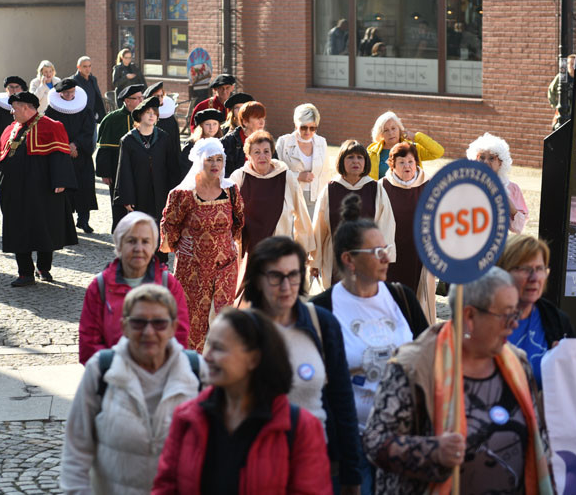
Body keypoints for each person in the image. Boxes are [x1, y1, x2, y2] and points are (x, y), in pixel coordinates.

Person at [362, 267, 555, 495]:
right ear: (470, 317)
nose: (514, 324)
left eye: (516, 314)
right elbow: (375, 442)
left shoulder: (517, 363)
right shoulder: (413, 366)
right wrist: (433, 452)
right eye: (506, 315)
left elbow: (539, 440)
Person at [311, 194, 429, 495]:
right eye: (376, 251)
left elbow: (430, 358)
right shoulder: (321, 311)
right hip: (349, 450)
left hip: (402, 443)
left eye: (385, 249)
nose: (386, 257)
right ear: (349, 259)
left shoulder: (402, 299)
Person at [153, 307, 333, 494]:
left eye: (219, 348)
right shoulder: (187, 417)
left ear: (254, 359)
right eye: (209, 344)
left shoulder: (301, 428)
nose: (206, 356)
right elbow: (165, 487)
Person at [241, 236, 362, 492]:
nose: (286, 286)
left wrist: (352, 474)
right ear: (258, 279)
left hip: (316, 464)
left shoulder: (322, 324)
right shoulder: (240, 330)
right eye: (276, 276)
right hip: (256, 467)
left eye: (294, 275)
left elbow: (342, 401)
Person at [61, 284, 206, 494]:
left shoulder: (197, 371)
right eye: (138, 323)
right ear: (124, 326)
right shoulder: (101, 370)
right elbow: (76, 446)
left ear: (174, 327)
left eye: (159, 323)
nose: (148, 332)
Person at [161, 138, 245, 351]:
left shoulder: (231, 190)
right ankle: (190, 366)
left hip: (225, 267)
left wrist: (226, 244)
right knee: (192, 321)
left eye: (219, 159)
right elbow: (169, 226)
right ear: (200, 162)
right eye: (210, 160)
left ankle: (219, 367)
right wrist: (182, 246)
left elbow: (239, 221)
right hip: (192, 270)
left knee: (222, 319)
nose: (216, 164)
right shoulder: (182, 194)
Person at [78, 211, 190, 364]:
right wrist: (118, 369)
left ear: (153, 246)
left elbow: (179, 337)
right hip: (112, 378)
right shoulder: (100, 286)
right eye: (131, 241)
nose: (139, 248)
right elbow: (88, 344)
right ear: (119, 244)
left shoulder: (168, 285)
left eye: (145, 241)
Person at [0, 91, 78, 287]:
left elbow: (60, 156)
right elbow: (0, 157)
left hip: (42, 189)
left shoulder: (51, 126)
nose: (12, 113)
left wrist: (61, 181)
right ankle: (25, 272)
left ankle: (43, 267)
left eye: (14, 108)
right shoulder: (11, 128)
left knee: (43, 228)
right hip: (14, 191)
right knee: (17, 229)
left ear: (25, 107)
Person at [313, 139, 395, 290]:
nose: (355, 161)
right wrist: (315, 261)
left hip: (368, 257)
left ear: (365, 162)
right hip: (335, 258)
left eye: (360, 157)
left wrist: (383, 257)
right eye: (350, 157)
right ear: (341, 161)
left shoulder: (375, 189)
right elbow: (319, 229)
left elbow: (387, 225)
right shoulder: (330, 190)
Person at [498, 235, 574, 388]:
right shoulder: (483, 319)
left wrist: (563, 366)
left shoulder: (557, 320)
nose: (534, 278)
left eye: (539, 269)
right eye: (524, 269)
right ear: (503, 273)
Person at [230, 130, 315, 262]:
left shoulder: (286, 177)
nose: (262, 156)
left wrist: (303, 249)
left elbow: (302, 214)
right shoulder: (239, 177)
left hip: (278, 250)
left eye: (266, 151)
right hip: (247, 251)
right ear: (248, 155)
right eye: (256, 152)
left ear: (272, 153)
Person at [381, 142, 435, 323]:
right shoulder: (382, 186)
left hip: (419, 252)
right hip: (393, 254)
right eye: (402, 162)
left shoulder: (429, 185)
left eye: (411, 162)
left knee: (418, 300)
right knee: (393, 298)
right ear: (393, 165)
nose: (407, 167)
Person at [114, 96, 180, 240]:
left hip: (160, 191)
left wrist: (174, 193)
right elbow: (124, 171)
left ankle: (159, 259)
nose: (152, 115)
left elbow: (171, 167)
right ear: (139, 115)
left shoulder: (163, 138)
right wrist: (127, 197)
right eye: (148, 112)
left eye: (154, 113)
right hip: (139, 192)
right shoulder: (128, 140)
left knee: (159, 229)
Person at [45, 78, 97, 234]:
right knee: (64, 190)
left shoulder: (85, 109)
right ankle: (65, 223)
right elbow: (50, 131)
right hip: (61, 157)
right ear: (60, 93)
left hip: (81, 155)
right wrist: (66, 147)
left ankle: (83, 220)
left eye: (71, 92)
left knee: (85, 188)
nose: (69, 95)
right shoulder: (52, 110)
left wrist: (76, 145)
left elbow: (89, 131)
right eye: (66, 92)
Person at [96, 83, 144, 230]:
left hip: (140, 169)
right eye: (137, 98)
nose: (141, 101)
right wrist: (105, 173)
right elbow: (104, 149)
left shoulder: (146, 116)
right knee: (119, 203)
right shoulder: (112, 119)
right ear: (127, 100)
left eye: (142, 97)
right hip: (117, 170)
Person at [466, 132, 529, 234]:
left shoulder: (512, 188)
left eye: (491, 158)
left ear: (500, 162)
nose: (485, 162)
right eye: (482, 157)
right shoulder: (465, 184)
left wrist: (509, 205)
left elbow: (518, 228)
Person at [276, 103, 327, 218]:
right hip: (290, 198)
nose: (308, 131)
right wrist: (298, 176)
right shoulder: (284, 142)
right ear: (295, 124)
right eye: (303, 127)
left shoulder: (322, 142)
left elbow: (325, 174)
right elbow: (277, 172)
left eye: (312, 128)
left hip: (315, 199)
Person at [366, 111, 443, 180]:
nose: (391, 133)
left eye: (393, 128)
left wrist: (415, 137)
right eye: (386, 130)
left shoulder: (412, 148)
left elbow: (438, 152)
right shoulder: (372, 152)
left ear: (400, 129)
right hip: (382, 194)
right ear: (380, 134)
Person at [0, 76, 27, 169]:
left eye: (17, 87)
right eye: (10, 87)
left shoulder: (28, 109)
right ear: (6, 89)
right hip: (4, 153)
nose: (14, 90)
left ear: (22, 89)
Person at [221, 99, 267, 177]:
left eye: (263, 118)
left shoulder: (267, 141)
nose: (262, 122)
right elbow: (222, 172)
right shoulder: (228, 142)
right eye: (257, 118)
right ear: (245, 122)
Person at [143, 81, 181, 166]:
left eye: (161, 96)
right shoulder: (145, 116)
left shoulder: (170, 117)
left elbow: (175, 143)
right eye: (157, 96)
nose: (160, 98)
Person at [179, 107, 223, 177]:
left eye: (215, 124)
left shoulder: (223, 143)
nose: (211, 128)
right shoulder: (191, 146)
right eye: (207, 124)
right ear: (201, 126)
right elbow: (185, 170)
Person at [69, 55, 107, 124]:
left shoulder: (93, 80)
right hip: (79, 118)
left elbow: (97, 98)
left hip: (92, 117)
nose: (88, 69)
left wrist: (101, 115)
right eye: (85, 66)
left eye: (89, 66)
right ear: (78, 67)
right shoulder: (73, 81)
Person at [548, 53, 576, 129]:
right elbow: (551, 90)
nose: (572, 66)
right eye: (570, 64)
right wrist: (556, 105)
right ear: (567, 65)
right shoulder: (562, 77)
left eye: (574, 64)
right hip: (563, 112)